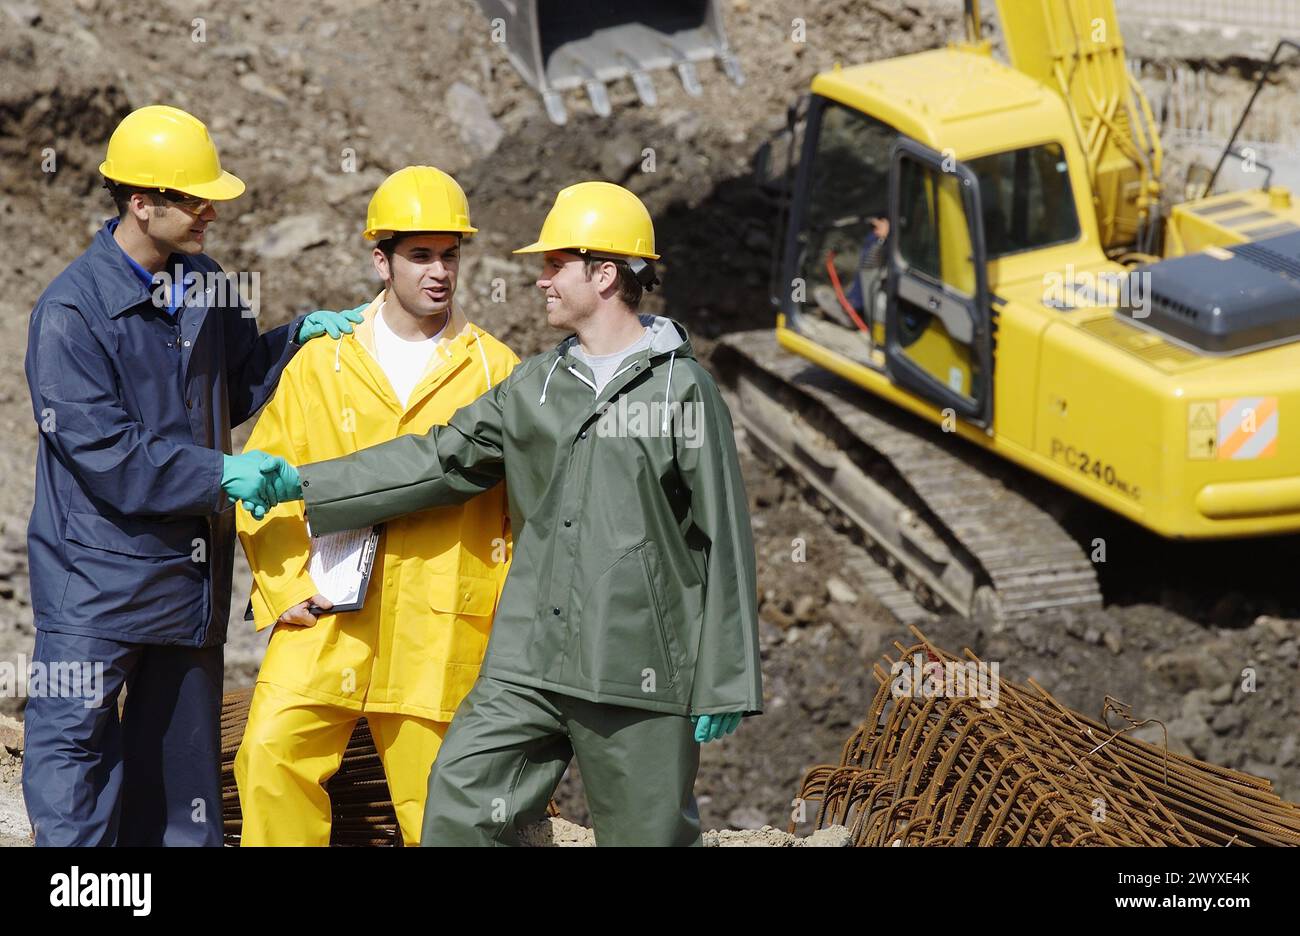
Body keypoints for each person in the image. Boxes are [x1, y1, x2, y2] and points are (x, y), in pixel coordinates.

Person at [253, 182, 762, 846]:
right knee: (459, 801)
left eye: (554, 265)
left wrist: (726, 678)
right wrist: (301, 481)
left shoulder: (682, 390)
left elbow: (724, 536)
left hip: (635, 663)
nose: (541, 280)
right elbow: (439, 460)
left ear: (604, 273)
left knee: (647, 834)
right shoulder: (537, 385)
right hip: (529, 660)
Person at [22, 104, 360, 846]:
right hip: (96, 582)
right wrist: (221, 474)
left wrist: (293, 342)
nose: (212, 210)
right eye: (194, 197)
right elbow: (106, 451)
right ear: (142, 203)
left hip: (187, 583)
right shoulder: (70, 314)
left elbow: (231, 387)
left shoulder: (205, 283)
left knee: (182, 789)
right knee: (76, 764)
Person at [233, 166, 518, 845]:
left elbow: (523, 517)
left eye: (450, 255)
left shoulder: (495, 372)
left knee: (446, 808)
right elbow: (262, 485)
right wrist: (284, 587)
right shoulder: (322, 362)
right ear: (380, 260)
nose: (439, 272)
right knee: (269, 758)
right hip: (327, 615)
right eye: (420, 256)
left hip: (442, 626)